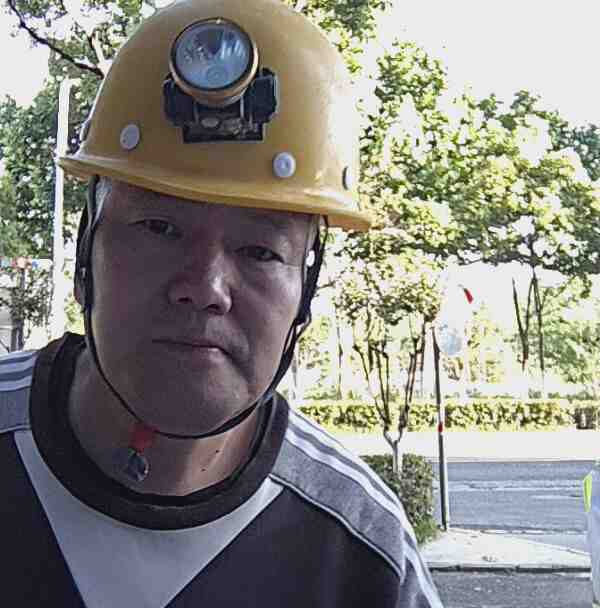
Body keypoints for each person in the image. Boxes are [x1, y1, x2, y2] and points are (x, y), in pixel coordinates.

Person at [0, 0, 443, 605]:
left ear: (305, 291)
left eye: (260, 251)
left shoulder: (361, 558)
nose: (205, 288)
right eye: (159, 228)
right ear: (87, 251)